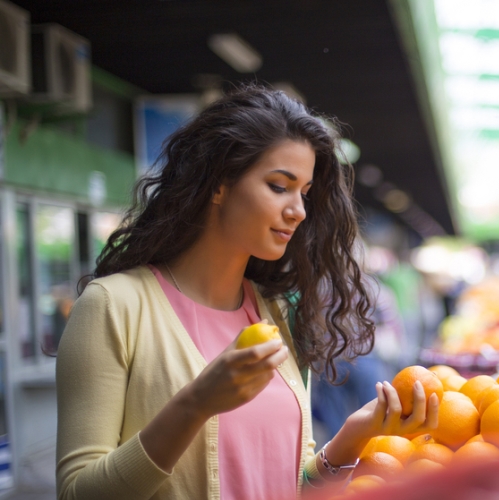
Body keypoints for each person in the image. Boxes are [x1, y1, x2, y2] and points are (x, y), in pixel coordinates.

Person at [55, 85, 438, 500]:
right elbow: (78, 492)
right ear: (218, 184)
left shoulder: (275, 312)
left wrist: (353, 435)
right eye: (279, 186)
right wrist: (195, 404)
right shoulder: (113, 306)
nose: (299, 210)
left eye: (305, 193)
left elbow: (288, 485)